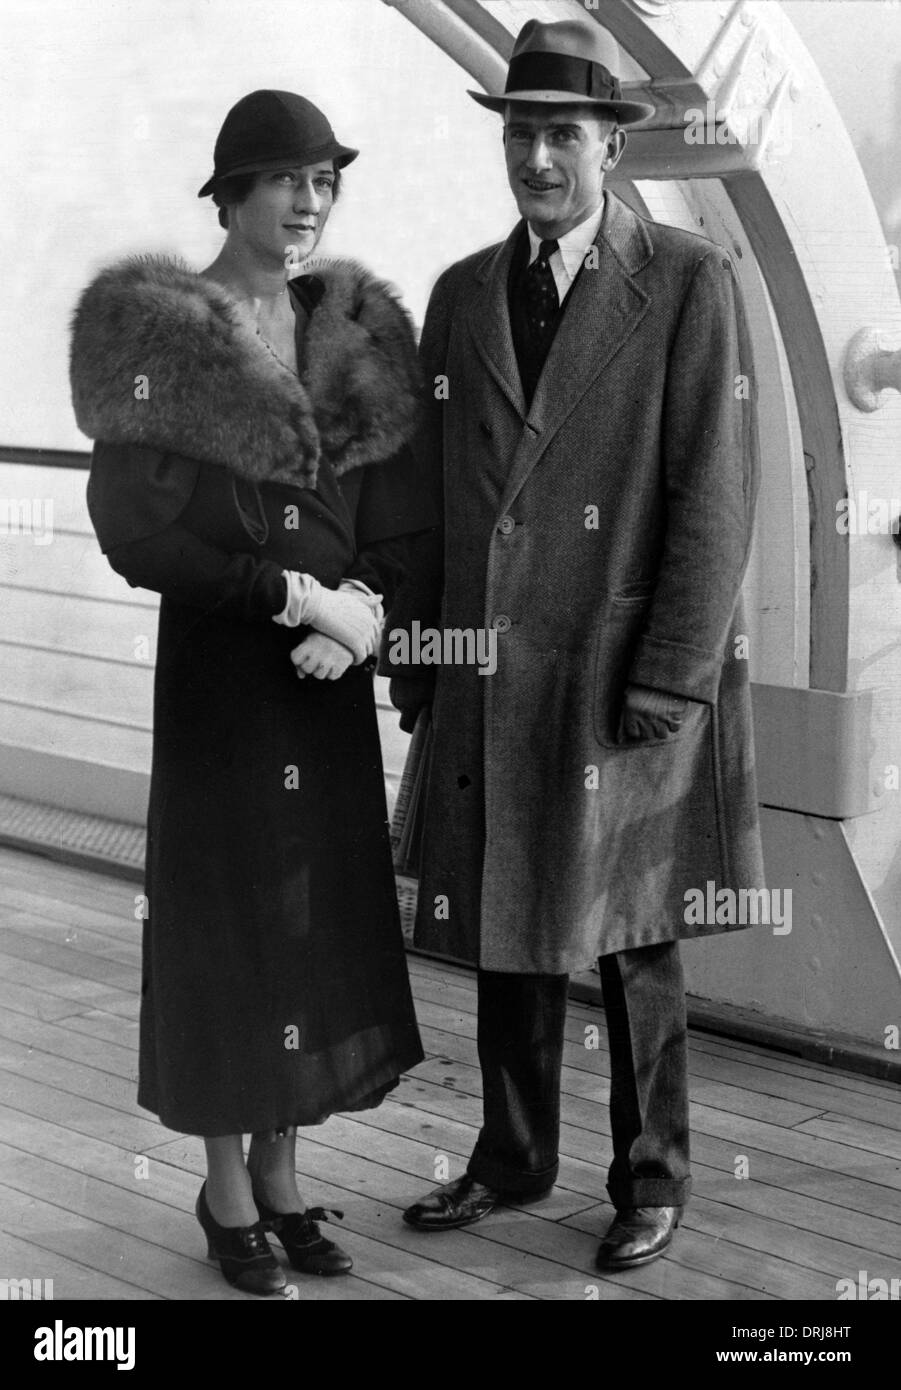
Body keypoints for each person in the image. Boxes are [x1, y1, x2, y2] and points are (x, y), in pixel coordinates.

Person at [384, 18, 765, 1272]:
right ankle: (509, 1156)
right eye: (520, 132)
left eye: (561, 133)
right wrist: (418, 659)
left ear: (610, 144)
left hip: (618, 673)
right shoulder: (459, 295)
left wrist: (672, 670)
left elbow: (714, 493)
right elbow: (428, 496)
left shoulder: (690, 285)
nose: (537, 156)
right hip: (490, 670)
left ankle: (651, 1176)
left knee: (630, 929)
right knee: (507, 911)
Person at [69, 90, 431, 1294]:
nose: (309, 201)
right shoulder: (161, 336)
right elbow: (133, 531)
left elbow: (401, 508)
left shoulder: (357, 328)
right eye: (284, 179)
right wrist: (286, 598)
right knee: (227, 920)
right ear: (228, 195)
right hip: (229, 678)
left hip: (327, 686)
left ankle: (281, 1177)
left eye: (325, 178)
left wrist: (367, 611)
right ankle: (226, 1191)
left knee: (306, 917)